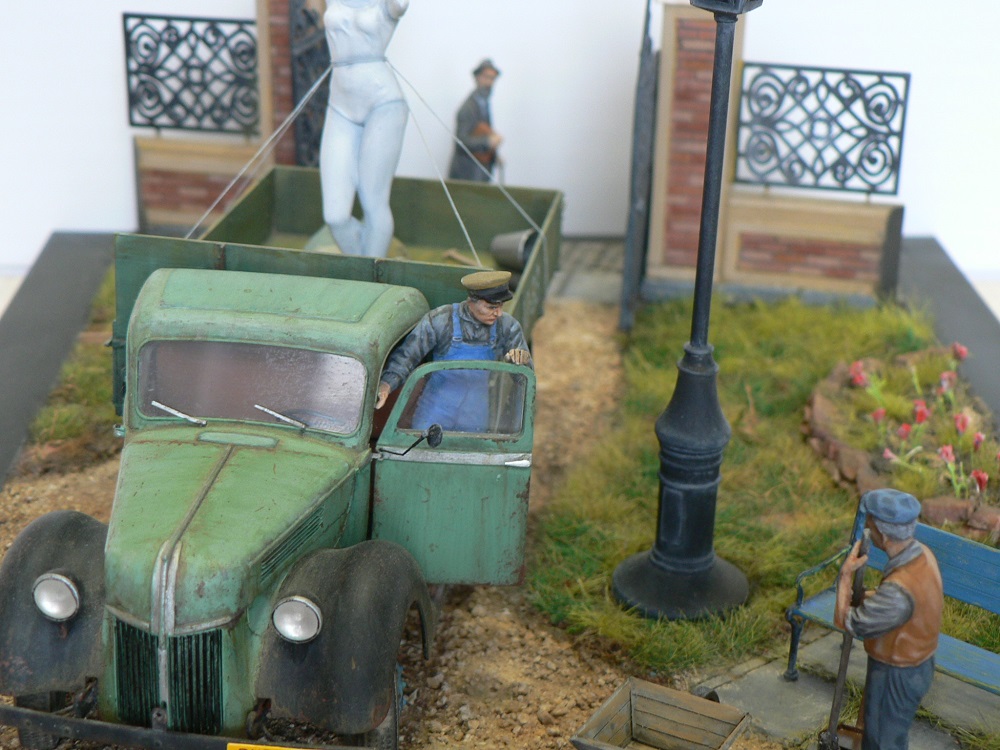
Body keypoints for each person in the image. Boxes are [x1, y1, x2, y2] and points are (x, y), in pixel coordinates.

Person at [834, 489, 943, 750]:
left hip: (896, 672)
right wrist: (870, 597)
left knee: (882, 740)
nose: (868, 527)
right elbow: (905, 605)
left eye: (870, 522)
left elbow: (847, 622)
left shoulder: (897, 590)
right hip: (914, 663)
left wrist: (845, 578)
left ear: (883, 534)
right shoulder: (921, 554)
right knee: (885, 735)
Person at [376, 271, 531, 432]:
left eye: (500, 307)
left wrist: (520, 361)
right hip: (437, 406)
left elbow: (526, 377)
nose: (498, 313)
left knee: (475, 445)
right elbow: (408, 355)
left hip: (476, 411)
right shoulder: (441, 320)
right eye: (491, 307)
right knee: (422, 441)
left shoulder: (507, 326)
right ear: (471, 302)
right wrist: (387, 384)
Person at [319, 0, 409, 258]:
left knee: (373, 201)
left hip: (383, 103)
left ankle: (370, 272)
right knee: (335, 215)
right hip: (340, 108)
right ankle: (365, 265)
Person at [447, 59, 503, 182]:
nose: (489, 82)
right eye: (486, 77)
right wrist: (488, 142)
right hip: (466, 174)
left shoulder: (483, 104)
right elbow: (461, 141)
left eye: (492, 79)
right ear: (477, 77)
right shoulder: (467, 108)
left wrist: (493, 155)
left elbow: (483, 131)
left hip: (480, 173)